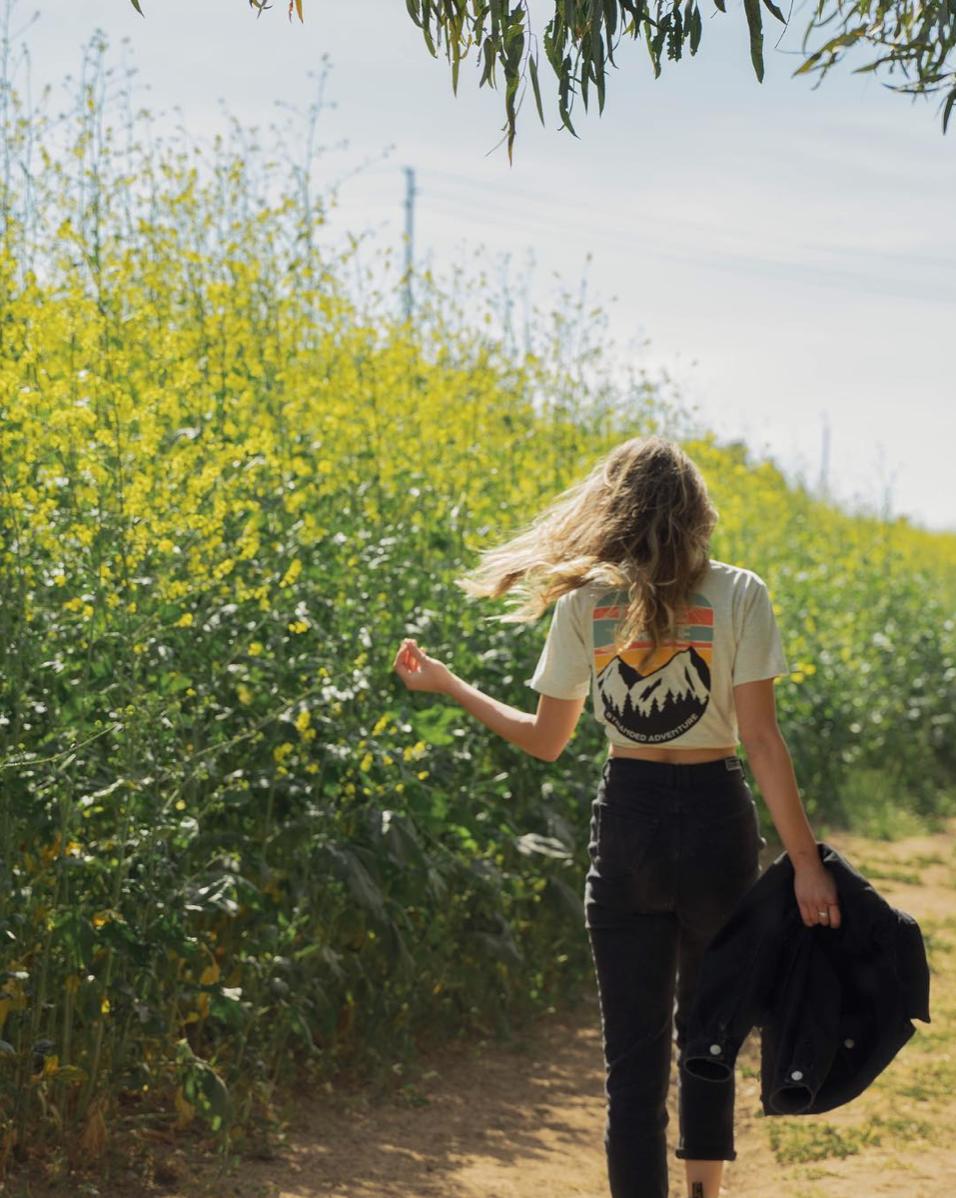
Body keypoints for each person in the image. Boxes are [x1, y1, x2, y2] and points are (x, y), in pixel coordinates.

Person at [392, 434, 840, 1198]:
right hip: (716, 822)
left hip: (628, 822)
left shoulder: (584, 604)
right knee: (708, 1041)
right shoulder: (740, 593)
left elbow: (546, 741)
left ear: (612, 512)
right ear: (697, 511)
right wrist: (805, 863)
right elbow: (762, 740)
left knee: (631, 1069)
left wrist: (452, 686)